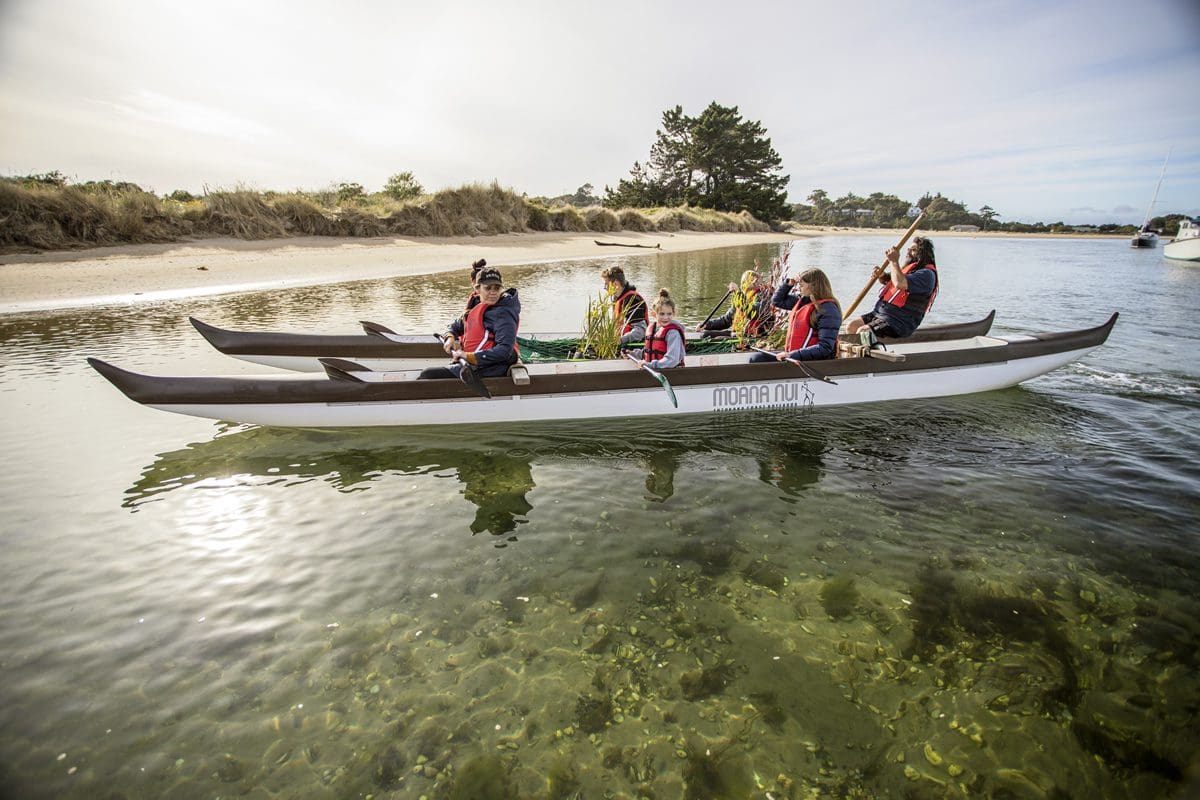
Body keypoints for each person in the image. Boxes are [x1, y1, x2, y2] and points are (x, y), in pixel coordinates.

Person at [419, 266, 520, 380]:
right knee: (428, 374)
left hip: (489, 367)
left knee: (427, 375)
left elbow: (504, 350)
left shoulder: (503, 314)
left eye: (496, 288)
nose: (493, 292)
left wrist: (466, 355)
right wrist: (450, 337)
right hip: (472, 363)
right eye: (488, 288)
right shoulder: (477, 305)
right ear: (478, 289)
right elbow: (456, 326)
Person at [846, 237, 938, 339]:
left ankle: (870, 352)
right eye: (908, 249)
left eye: (913, 250)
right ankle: (855, 353)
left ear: (923, 254)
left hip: (898, 322)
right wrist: (882, 275)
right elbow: (890, 280)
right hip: (881, 314)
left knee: (864, 331)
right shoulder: (908, 270)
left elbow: (899, 283)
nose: (908, 252)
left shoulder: (926, 274)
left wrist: (894, 261)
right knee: (852, 326)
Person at [750, 268, 841, 362]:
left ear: (813, 286)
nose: (799, 287)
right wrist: (789, 284)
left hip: (814, 361)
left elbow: (825, 348)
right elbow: (776, 301)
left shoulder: (828, 310)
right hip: (796, 356)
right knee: (756, 358)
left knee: (757, 360)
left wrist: (792, 355)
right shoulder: (802, 301)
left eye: (801, 285)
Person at [695, 267, 775, 338]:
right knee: (705, 334)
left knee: (712, 336)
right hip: (738, 333)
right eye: (743, 282)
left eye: (747, 282)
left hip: (754, 335)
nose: (743, 285)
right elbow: (726, 320)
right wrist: (707, 325)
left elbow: (754, 313)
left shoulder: (764, 295)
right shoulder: (742, 296)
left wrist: (738, 294)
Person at [631, 289, 686, 369]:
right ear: (654, 314)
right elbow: (648, 351)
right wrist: (633, 354)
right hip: (655, 370)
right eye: (662, 314)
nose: (665, 317)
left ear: (674, 313)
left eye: (669, 314)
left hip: (671, 373)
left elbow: (672, 360)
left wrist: (651, 365)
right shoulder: (652, 329)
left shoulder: (673, 333)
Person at [600, 266, 648, 345]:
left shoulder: (633, 300)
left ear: (615, 284)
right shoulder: (617, 298)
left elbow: (641, 331)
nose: (605, 288)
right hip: (623, 344)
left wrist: (620, 340)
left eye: (606, 284)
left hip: (634, 347)